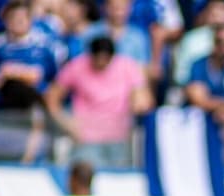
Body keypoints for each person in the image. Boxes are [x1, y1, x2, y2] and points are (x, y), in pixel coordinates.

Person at [45, 35, 153, 167]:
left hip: (118, 139)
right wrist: (66, 122)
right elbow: (52, 97)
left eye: (106, 60)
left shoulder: (127, 67)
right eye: (98, 59)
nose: (102, 63)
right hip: (87, 140)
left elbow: (143, 97)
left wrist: (138, 102)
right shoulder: (77, 67)